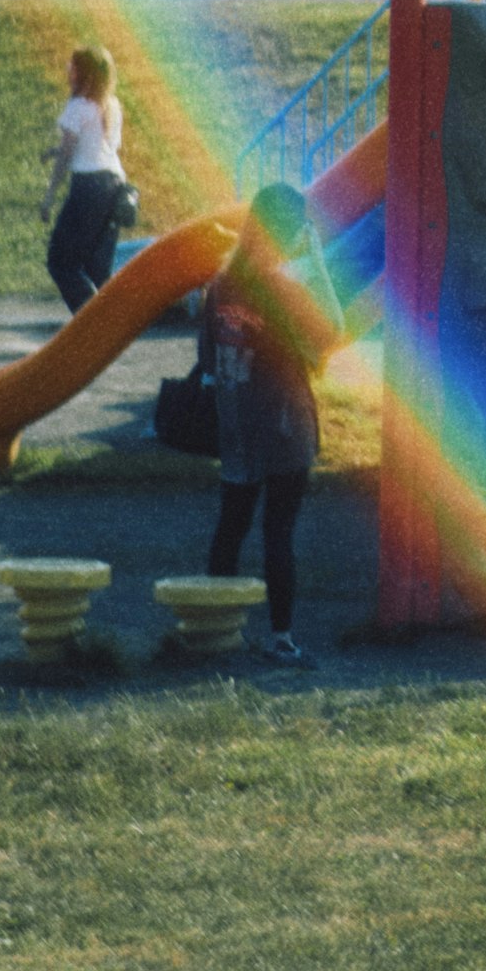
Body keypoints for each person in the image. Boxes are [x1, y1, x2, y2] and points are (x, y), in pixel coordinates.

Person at [202, 185, 325, 659]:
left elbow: (209, 358)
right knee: (279, 531)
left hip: (236, 423)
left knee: (231, 526)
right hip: (285, 423)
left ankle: (213, 628)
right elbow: (320, 345)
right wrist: (315, 263)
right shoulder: (287, 289)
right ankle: (281, 636)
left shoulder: (222, 286)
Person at [42, 39, 133, 313]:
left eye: (72, 66)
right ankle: (106, 321)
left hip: (88, 188)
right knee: (96, 267)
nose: (68, 70)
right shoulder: (112, 105)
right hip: (115, 185)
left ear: (83, 73)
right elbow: (102, 147)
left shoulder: (78, 106)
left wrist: (48, 197)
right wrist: (56, 150)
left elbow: (69, 156)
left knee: (61, 262)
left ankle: (91, 321)